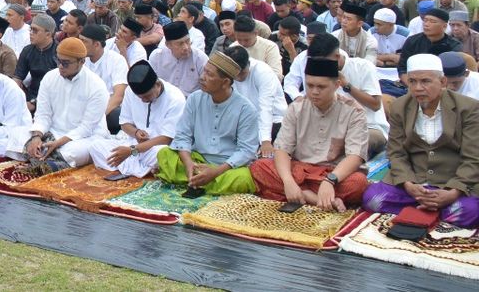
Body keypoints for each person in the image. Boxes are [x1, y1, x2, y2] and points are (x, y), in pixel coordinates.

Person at [362, 54, 479, 227]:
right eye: (412, 81)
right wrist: (408, 184)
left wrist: (453, 192)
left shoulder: (468, 108)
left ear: (443, 82)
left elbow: (473, 157)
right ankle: (430, 208)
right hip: (413, 182)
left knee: (468, 212)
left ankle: (422, 209)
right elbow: (396, 153)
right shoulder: (400, 107)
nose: (418, 88)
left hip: (451, 182)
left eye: (425, 81)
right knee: (373, 199)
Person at [250, 56, 370, 211]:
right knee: (259, 167)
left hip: (333, 173)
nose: (314, 92)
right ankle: (313, 198)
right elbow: (282, 149)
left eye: (321, 87)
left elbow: (355, 156)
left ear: (336, 85)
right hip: (298, 170)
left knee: (358, 183)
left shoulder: (354, 111)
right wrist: (288, 182)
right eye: (309, 85)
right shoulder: (296, 107)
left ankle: (301, 195)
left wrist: (330, 181)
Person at [156, 51, 259, 195]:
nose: (202, 77)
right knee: (164, 154)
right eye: (204, 71)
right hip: (197, 160)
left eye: (209, 75)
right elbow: (183, 135)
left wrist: (215, 172)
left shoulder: (246, 109)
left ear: (225, 83)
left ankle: (200, 181)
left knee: (242, 179)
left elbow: (246, 150)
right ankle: (200, 180)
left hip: (226, 166)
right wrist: (188, 164)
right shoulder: (194, 99)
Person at [4, 37, 109, 168]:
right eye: (58, 61)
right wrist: (36, 137)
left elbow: (86, 128)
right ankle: (49, 159)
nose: (60, 66)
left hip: (82, 138)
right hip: (52, 132)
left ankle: (46, 158)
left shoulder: (96, 86)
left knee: (74, 152)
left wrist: (58, 143)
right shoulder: (50, 78)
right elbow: (43, 115)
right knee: (16, 134)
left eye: (65, 63)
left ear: (82, 62)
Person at [90, 61, 186, 178]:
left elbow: (166, 139)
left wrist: (132, 151)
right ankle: (140, 170)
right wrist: (135, 132)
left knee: (162, 154)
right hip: (133, 145)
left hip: (156, 148)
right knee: (95, 146)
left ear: (158, 85)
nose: (143, 101)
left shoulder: (175, 98)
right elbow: (124, 123)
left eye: (146, 96)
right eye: (139, 97)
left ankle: (127, 168)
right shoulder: (130, 91)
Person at [78, 24, 128, 134]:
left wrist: (97, 117)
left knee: (116, 114)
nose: (80, 44)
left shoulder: (116, 60)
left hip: (107, 110)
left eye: (84, 41)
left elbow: (119, 96)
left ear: (96, 44)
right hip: (83, 108)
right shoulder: (79, 60)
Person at [149, 21, 208, 96]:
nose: (186, 47)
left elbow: (207, 88)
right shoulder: (157, 57)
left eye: (188, 41)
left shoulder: (200, 58)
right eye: (180, 44)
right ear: (168, 45)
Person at [14, 14, 57, 106]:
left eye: (35, 30)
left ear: (48, 34)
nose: (31, 33)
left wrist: (34, 104)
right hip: (31, 96)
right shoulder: (27, 50)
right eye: (31, 29)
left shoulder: (59, 53)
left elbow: (60, 87)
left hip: (54, 100)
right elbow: (17, 78)